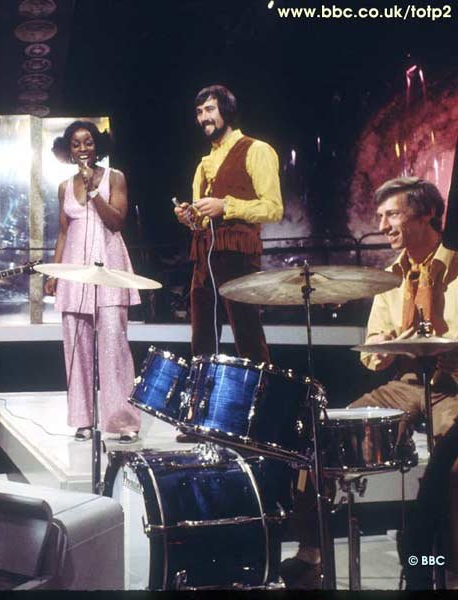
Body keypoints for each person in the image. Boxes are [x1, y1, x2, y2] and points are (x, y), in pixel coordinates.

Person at [281, 177, 458, 589]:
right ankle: (310, 552)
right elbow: (373, 356)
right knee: (319, 436)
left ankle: (448, 568)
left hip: (453, 385)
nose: (382, 225)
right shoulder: (389, 278)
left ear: (428, 214)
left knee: (453, 469)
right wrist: (385, 347)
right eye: (380, 216)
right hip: (406, 382)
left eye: (392, 214)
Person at [45, 121, 141, 444]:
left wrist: (93, 190)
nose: (83, 149)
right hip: (75, 273)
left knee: (114, 348)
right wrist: (55, 272)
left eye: (88, 142)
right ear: (69, 150)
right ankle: (83, 420)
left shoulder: (115, 178)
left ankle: (123, 421)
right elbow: (63, 232)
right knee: (77, 349)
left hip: (109, 267)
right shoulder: (64, 187)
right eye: (76, 144)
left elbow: (117, 221)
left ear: (97, 146)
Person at [173, 85, 283, 363]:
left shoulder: (256, 150)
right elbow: (201, 220)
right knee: (202, 341)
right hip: (203, 259)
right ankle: (204, 389)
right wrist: (189, 217)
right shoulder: (203, 165)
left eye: (209, 109)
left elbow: (273, 208)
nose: (203, 118)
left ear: (227, 110)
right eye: (199, 112)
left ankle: (260, 389)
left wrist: (226, 206)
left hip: (238, 255)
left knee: (248, 336)